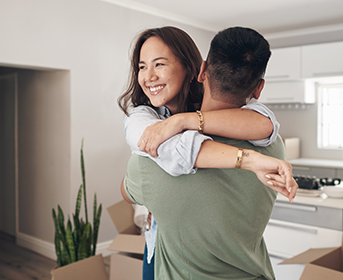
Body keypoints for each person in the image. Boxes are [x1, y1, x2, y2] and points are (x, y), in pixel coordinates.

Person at [117, 26, 296, 280]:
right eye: (142, 66)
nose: (149, 76)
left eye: (159, 64)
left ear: (199, 71)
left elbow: (128, 188)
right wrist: (250, 159)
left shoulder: (149, 163)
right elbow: (268, 126)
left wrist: (184, 121)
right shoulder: (274, 148)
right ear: (258, 88)